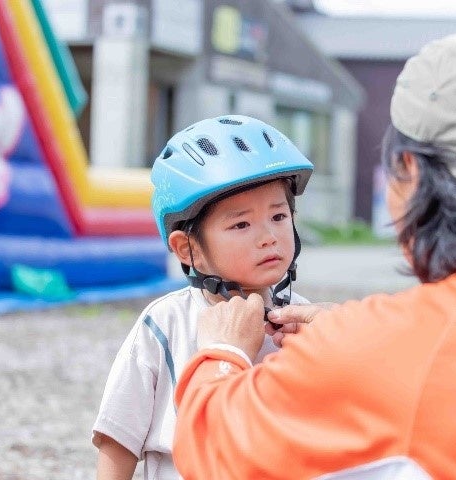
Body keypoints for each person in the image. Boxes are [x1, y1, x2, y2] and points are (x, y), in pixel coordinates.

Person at [171, 31, 456, 479]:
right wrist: (350, 332)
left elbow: (214, 447)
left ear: (411, 174)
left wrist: (222, 350)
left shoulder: (382, 345)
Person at [92, 115, 313, 480]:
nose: (269, 236)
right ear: (187, 247)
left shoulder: (303, 322)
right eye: (241, 224)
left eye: (278, 215)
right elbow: (119, 438)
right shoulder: (165, 323)